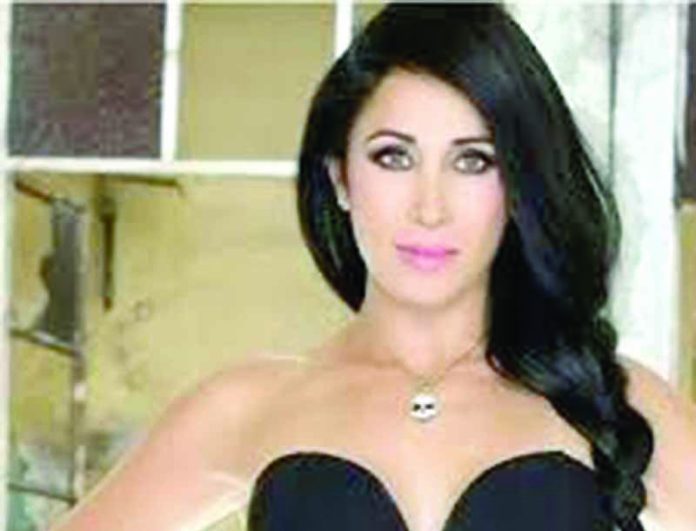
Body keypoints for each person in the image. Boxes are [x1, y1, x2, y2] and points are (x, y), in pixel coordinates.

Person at [51, 3, 696, 531]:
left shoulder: (615, 403)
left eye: (472, 161)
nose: (429, 208)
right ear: (340, 177)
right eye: (394, 157)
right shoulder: (249, 406)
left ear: (517, 186)